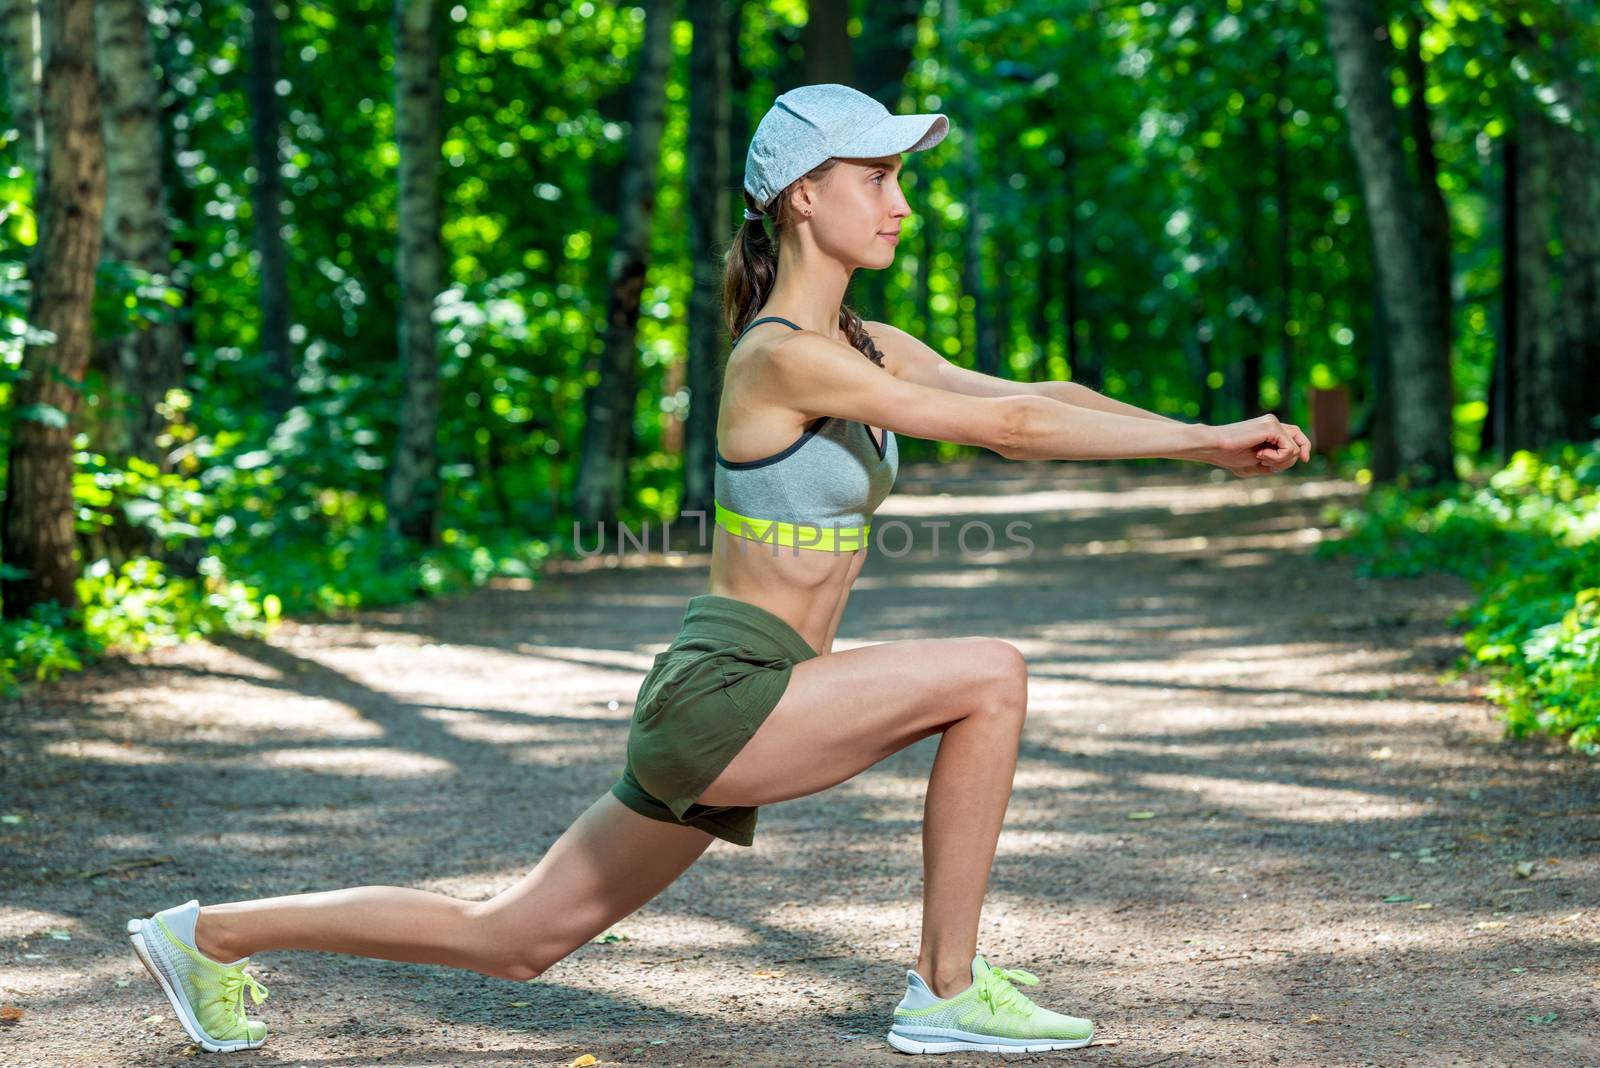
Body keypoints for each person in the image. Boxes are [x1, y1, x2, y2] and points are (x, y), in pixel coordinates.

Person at [127, 82, 1309, 1057]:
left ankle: (208, 933)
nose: (901, 204)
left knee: (516, 937)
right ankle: (945, 992)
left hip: (749, 693)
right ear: (804, 197)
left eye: (902, 178)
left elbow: (1031, 400)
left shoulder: (866, 344)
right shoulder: (781, 361)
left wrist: (1193, 428)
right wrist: (1202, 446)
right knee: (989, 674)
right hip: (731, 689)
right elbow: (1010, 439)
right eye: (876, 178)